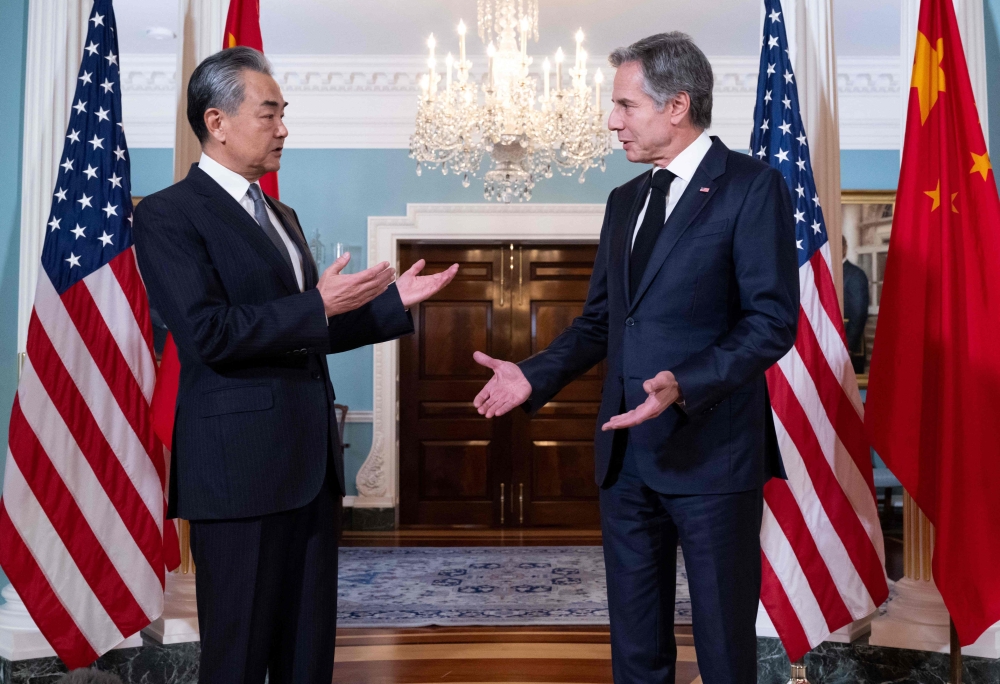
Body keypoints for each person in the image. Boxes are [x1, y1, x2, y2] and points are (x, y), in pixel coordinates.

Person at [472, 33, 799, 684]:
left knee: (723, 651)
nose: (612, 120)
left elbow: (772, 321)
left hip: (712, 458)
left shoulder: (750, 187)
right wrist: (531, 375)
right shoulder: (627, 200)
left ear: (676, 106)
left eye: (625, 105)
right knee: (637, 652)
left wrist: (685, 382)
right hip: (626, 465)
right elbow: (602, 322)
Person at [133, 47, 457, 684]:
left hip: (310, 468)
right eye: (270, 113)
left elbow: (308, 334)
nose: (283, 128)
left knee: (308, 654)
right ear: (217, 121)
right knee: (239, 656)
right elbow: (206, 334)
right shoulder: (167, 214)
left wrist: (389, 306)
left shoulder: (282, 215)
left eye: (284, 114)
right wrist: (316, 303)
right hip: (238, 473)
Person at [842, 236, 870, 374]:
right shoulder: (822, 271)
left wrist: (848, 346)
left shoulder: (855, 275)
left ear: (844, 248)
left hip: (850, 350)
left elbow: (859, 314)